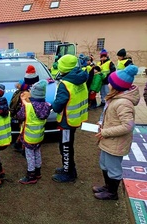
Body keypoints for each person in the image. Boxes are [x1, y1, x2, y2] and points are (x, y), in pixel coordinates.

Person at [93, 65, 139, 200]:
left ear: (116, 86)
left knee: (114, 169)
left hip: (116, 143)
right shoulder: (115, 99)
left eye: (110, 83)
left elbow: (128, 126)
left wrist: (106, 132)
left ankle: (112, 193)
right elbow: (112, 117)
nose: (108, 84)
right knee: (104, 164)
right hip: (108, 140)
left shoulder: (123, 103)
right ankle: (108, 186)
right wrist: (102, 124)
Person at [51, 54, 89, 183]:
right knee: (67, 146)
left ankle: (69, 174)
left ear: (63, 67)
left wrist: (53, 106)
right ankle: (68, 168)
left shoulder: (65, 84)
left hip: (67, 122)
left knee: (65, 147)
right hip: (76, 118)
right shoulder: (81, 78)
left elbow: (59, 104)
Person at [17, 80, 52, 184]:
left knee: (30, 155)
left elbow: (20, 116)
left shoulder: (28, 106)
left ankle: (31, 175)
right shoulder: (47, 105)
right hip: (40, 136)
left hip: (29, 137)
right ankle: (38, 171)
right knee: (37, 152)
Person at [9, 65, 39, 155]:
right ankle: (22, 147)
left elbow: (15, 105)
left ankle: (21, 146)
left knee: (24, 130)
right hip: (29, 115)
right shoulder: (36, 90)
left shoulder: (23, 93)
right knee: (24, 131)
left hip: (25, 115)